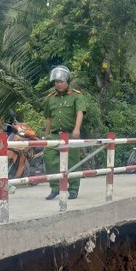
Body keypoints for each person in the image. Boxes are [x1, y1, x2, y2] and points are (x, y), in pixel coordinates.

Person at [43, 65, 87, 200]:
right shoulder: (51, 98)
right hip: (55, 134)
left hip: (70, 134)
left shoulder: (76, 96)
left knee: (73, 162)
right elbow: (49, 118)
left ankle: (73, 189)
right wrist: (46, 134)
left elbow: (80, 112)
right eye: (56, 82)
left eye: (61, 81)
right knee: (49, 157)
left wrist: (77, 129)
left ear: (67, 81)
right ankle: (55, 187)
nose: (58, 84)